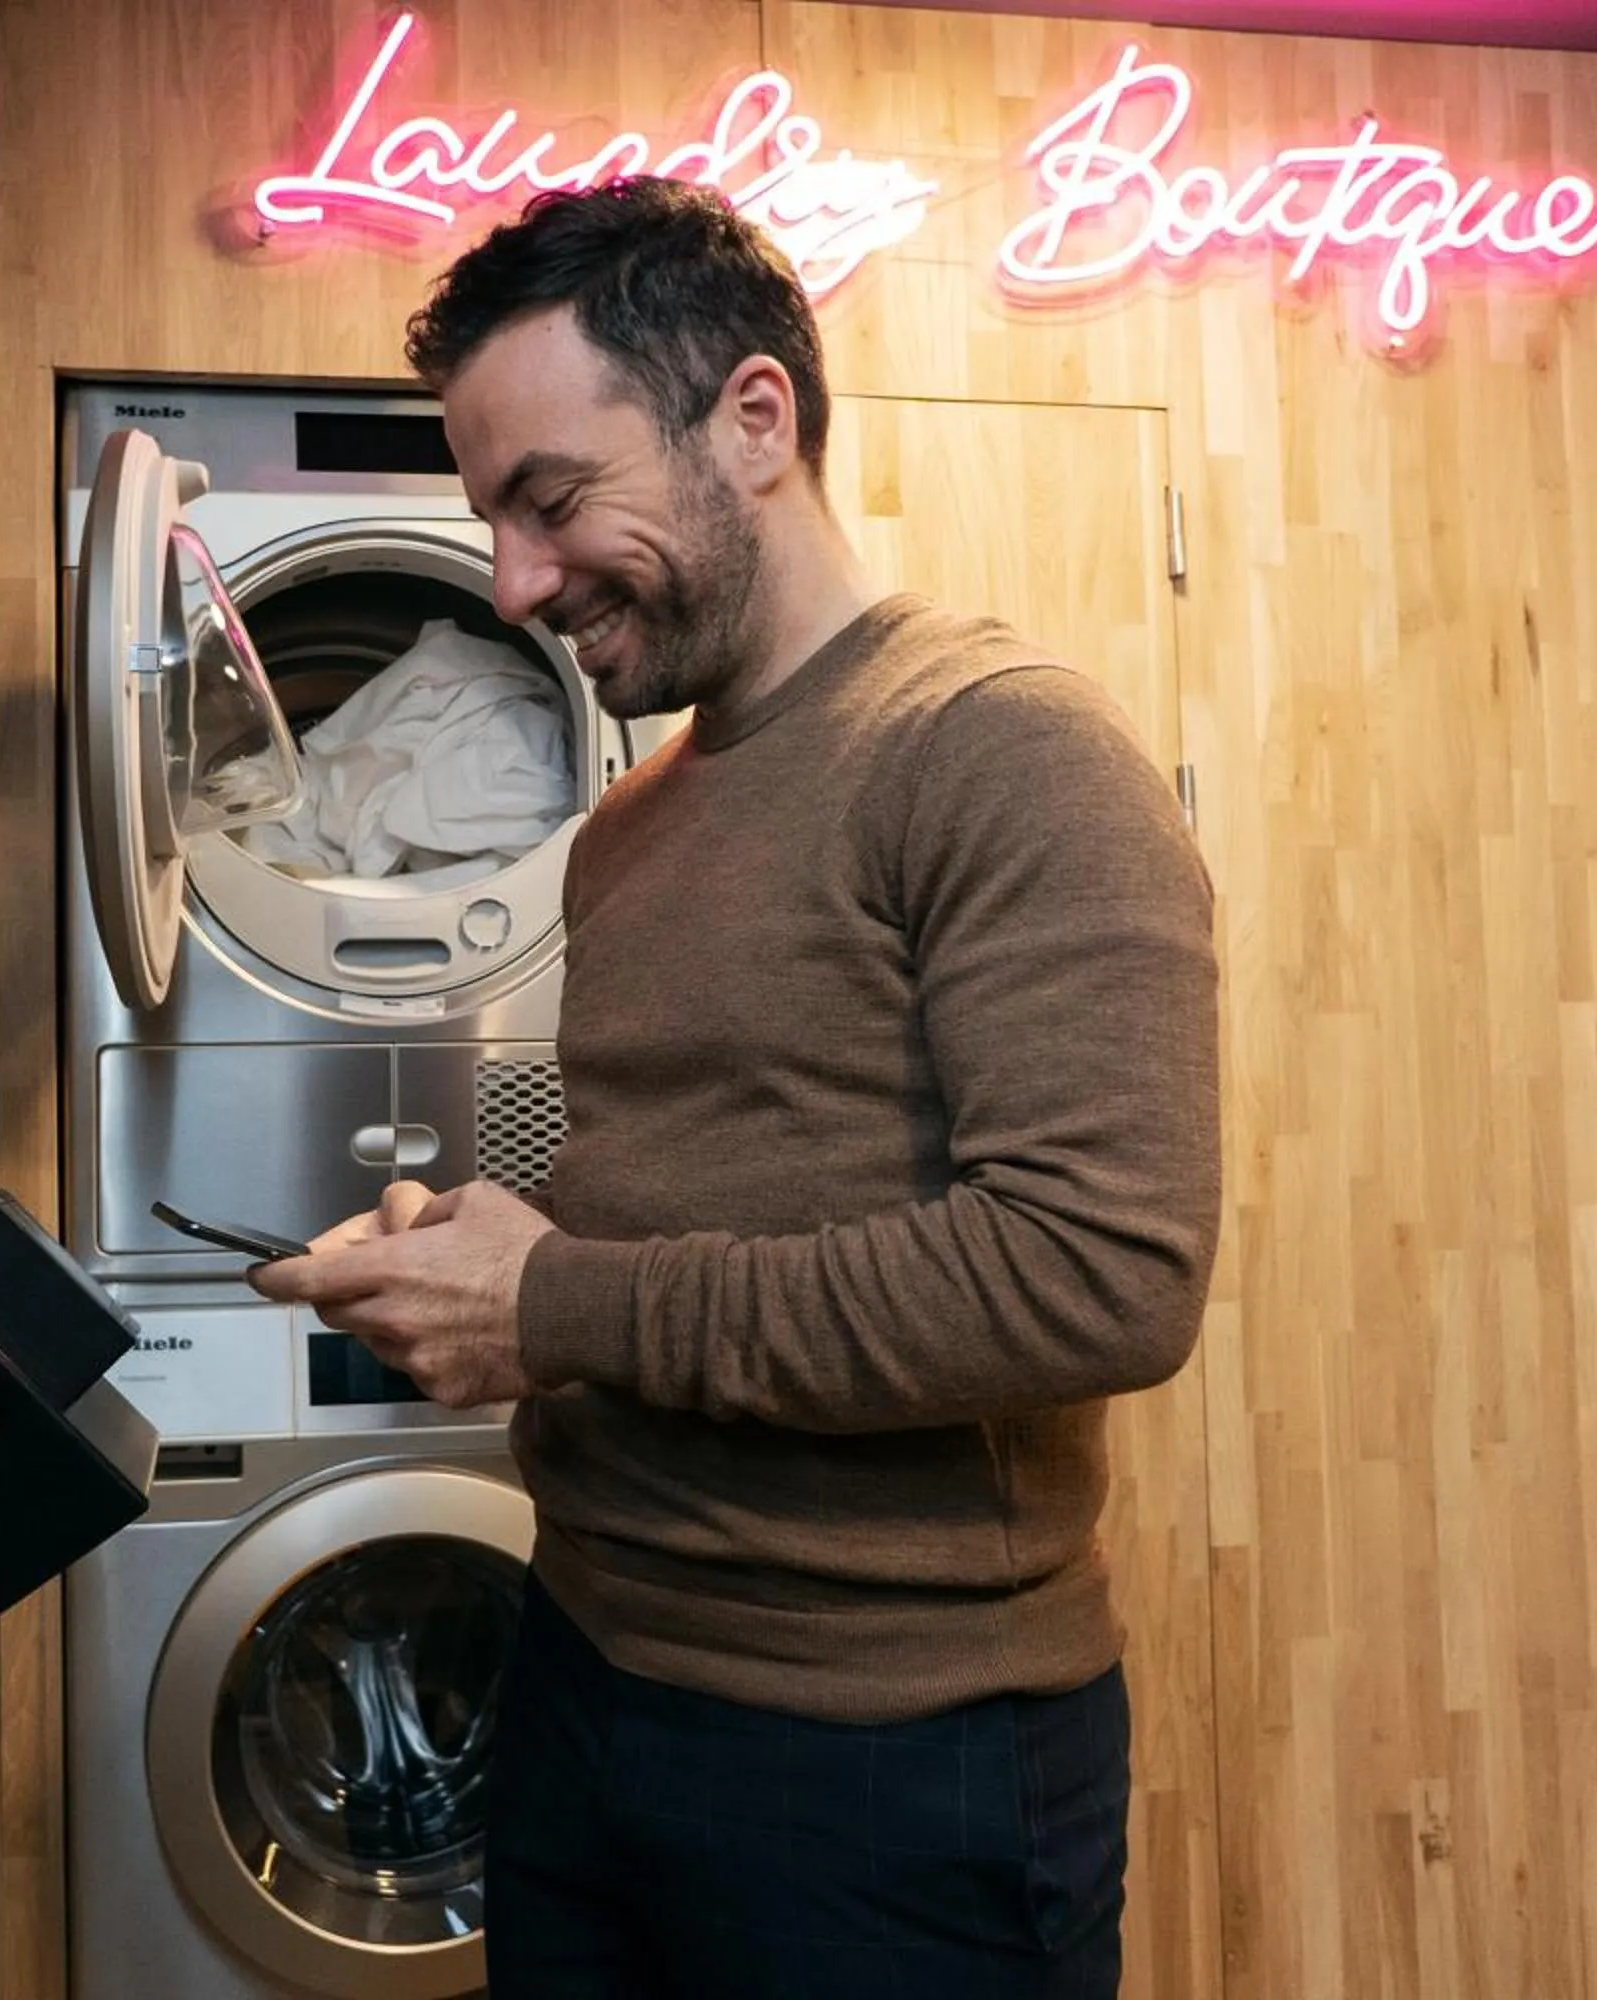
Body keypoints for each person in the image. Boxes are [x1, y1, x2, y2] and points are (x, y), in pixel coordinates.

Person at [245, 178, 1221, 2000]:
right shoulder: (628, 831)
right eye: (492, 524)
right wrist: (489, 1252)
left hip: (888, 1770)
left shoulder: (1000, 752)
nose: (519, 583)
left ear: (751, 420)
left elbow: (1100, 1275)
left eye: (553, 501)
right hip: (586, 1682)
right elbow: (692, 1216)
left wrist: (558, 1298)